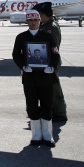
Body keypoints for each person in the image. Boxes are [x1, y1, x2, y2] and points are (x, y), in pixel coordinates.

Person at [12, 10, 60, 147]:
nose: (33, 23)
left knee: (47, 105)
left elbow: (55, 55)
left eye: (36, 20)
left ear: (40, 21)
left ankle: (47, 134)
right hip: (30, 78)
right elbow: (16, 55)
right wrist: (23, 66)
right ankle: (36, 134)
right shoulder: (21, 37)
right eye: (30, 20)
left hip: (46, 77)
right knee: (31, 106)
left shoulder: (48, 36)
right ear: (27, 21)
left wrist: (52, 67)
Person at [33, 2, 67, 122]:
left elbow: (53, 46)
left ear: (43, 14)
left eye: (39, 14)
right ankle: (51, 110)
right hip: (46, 61)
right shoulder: (46, 25)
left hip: (51, 62)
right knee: (47, 89)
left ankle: (60, 113)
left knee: (54, 89)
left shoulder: (51, 27)